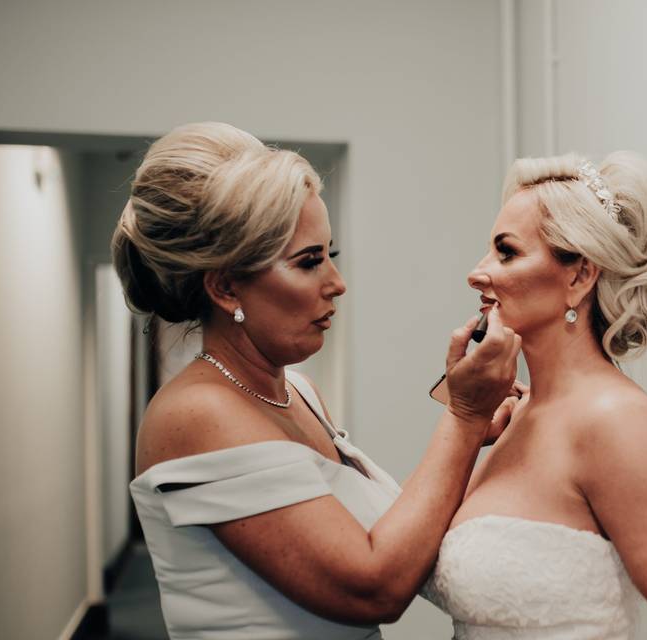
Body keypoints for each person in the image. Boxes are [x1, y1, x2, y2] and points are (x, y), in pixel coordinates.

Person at [112, 122, 522, 640]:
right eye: (309, 262)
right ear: (226, 288)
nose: (337, 282)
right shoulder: (196, 414)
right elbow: (371, 586)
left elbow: (399, 538)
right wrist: (463, 418)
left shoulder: (298, 391)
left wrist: (478, 427)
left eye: (332, 255)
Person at [424, 152, 647, 639]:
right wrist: (467, 418)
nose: (478, 273)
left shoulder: (617, 422)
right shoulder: (516, 415)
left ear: (580, 276)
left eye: (507, 252)